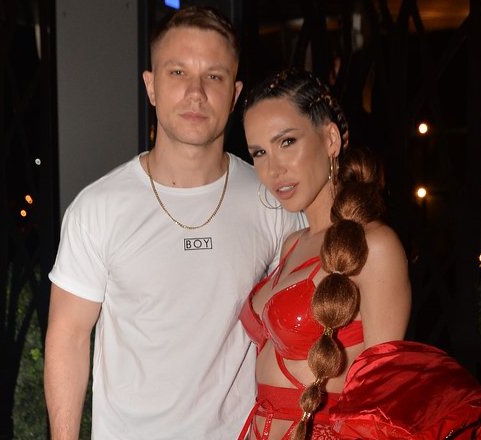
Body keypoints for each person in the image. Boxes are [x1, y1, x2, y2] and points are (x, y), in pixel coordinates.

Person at [237, 68, 481, 440]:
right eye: (259, 153)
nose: (273, 169)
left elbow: (383, 402)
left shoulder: (374, 246)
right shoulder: (292, 243)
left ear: (330, 139)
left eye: (286, 142)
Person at [44, 7, 303, 440]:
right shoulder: (99, 208)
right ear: (151, 86)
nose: (196, 93)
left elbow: (295, 334)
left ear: (235, 93)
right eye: (178, 72)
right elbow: (68, 337)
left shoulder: (272, 203)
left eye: (214, 76)